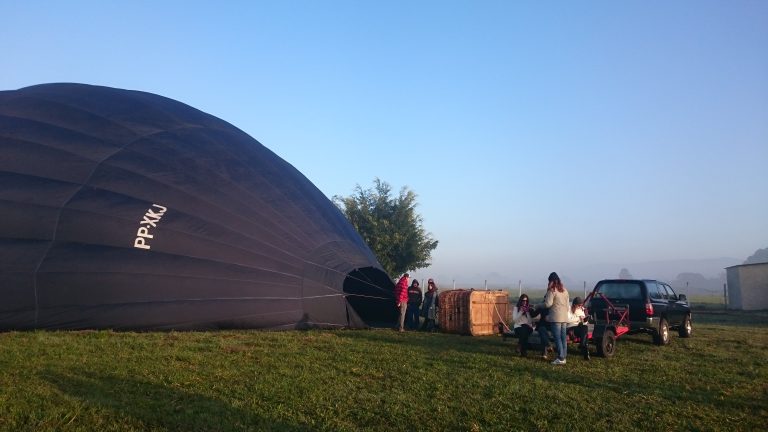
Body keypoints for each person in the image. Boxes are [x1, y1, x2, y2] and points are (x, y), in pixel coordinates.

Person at [544, 272, 570, 365]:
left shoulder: (552, 290)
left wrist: (538, 305)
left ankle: (560, 357)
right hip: (564, 317)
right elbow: (567, 305)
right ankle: (564, 356)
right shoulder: (565, 290)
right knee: (563, 338)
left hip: (555, 318)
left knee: (557, 338)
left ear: (550, 281)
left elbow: (548, 304)